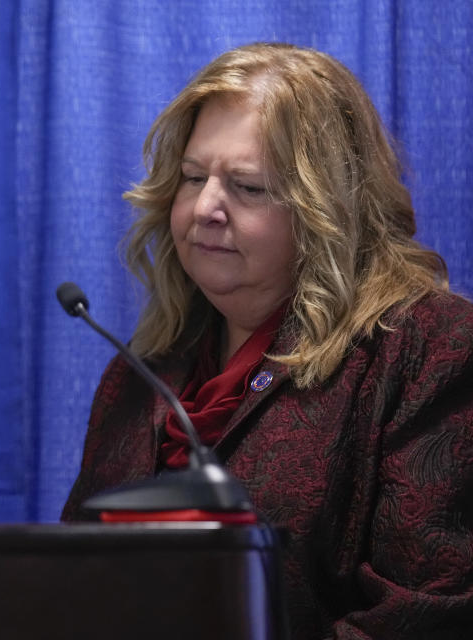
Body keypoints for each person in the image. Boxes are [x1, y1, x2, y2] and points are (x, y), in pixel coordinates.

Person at [61, 42, 473, 639]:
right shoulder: (139, 373)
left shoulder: (428, 349)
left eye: (248, 187)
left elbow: (430, 613)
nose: (205, 208)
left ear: (328, 208)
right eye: (193, 177)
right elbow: (73, 583)